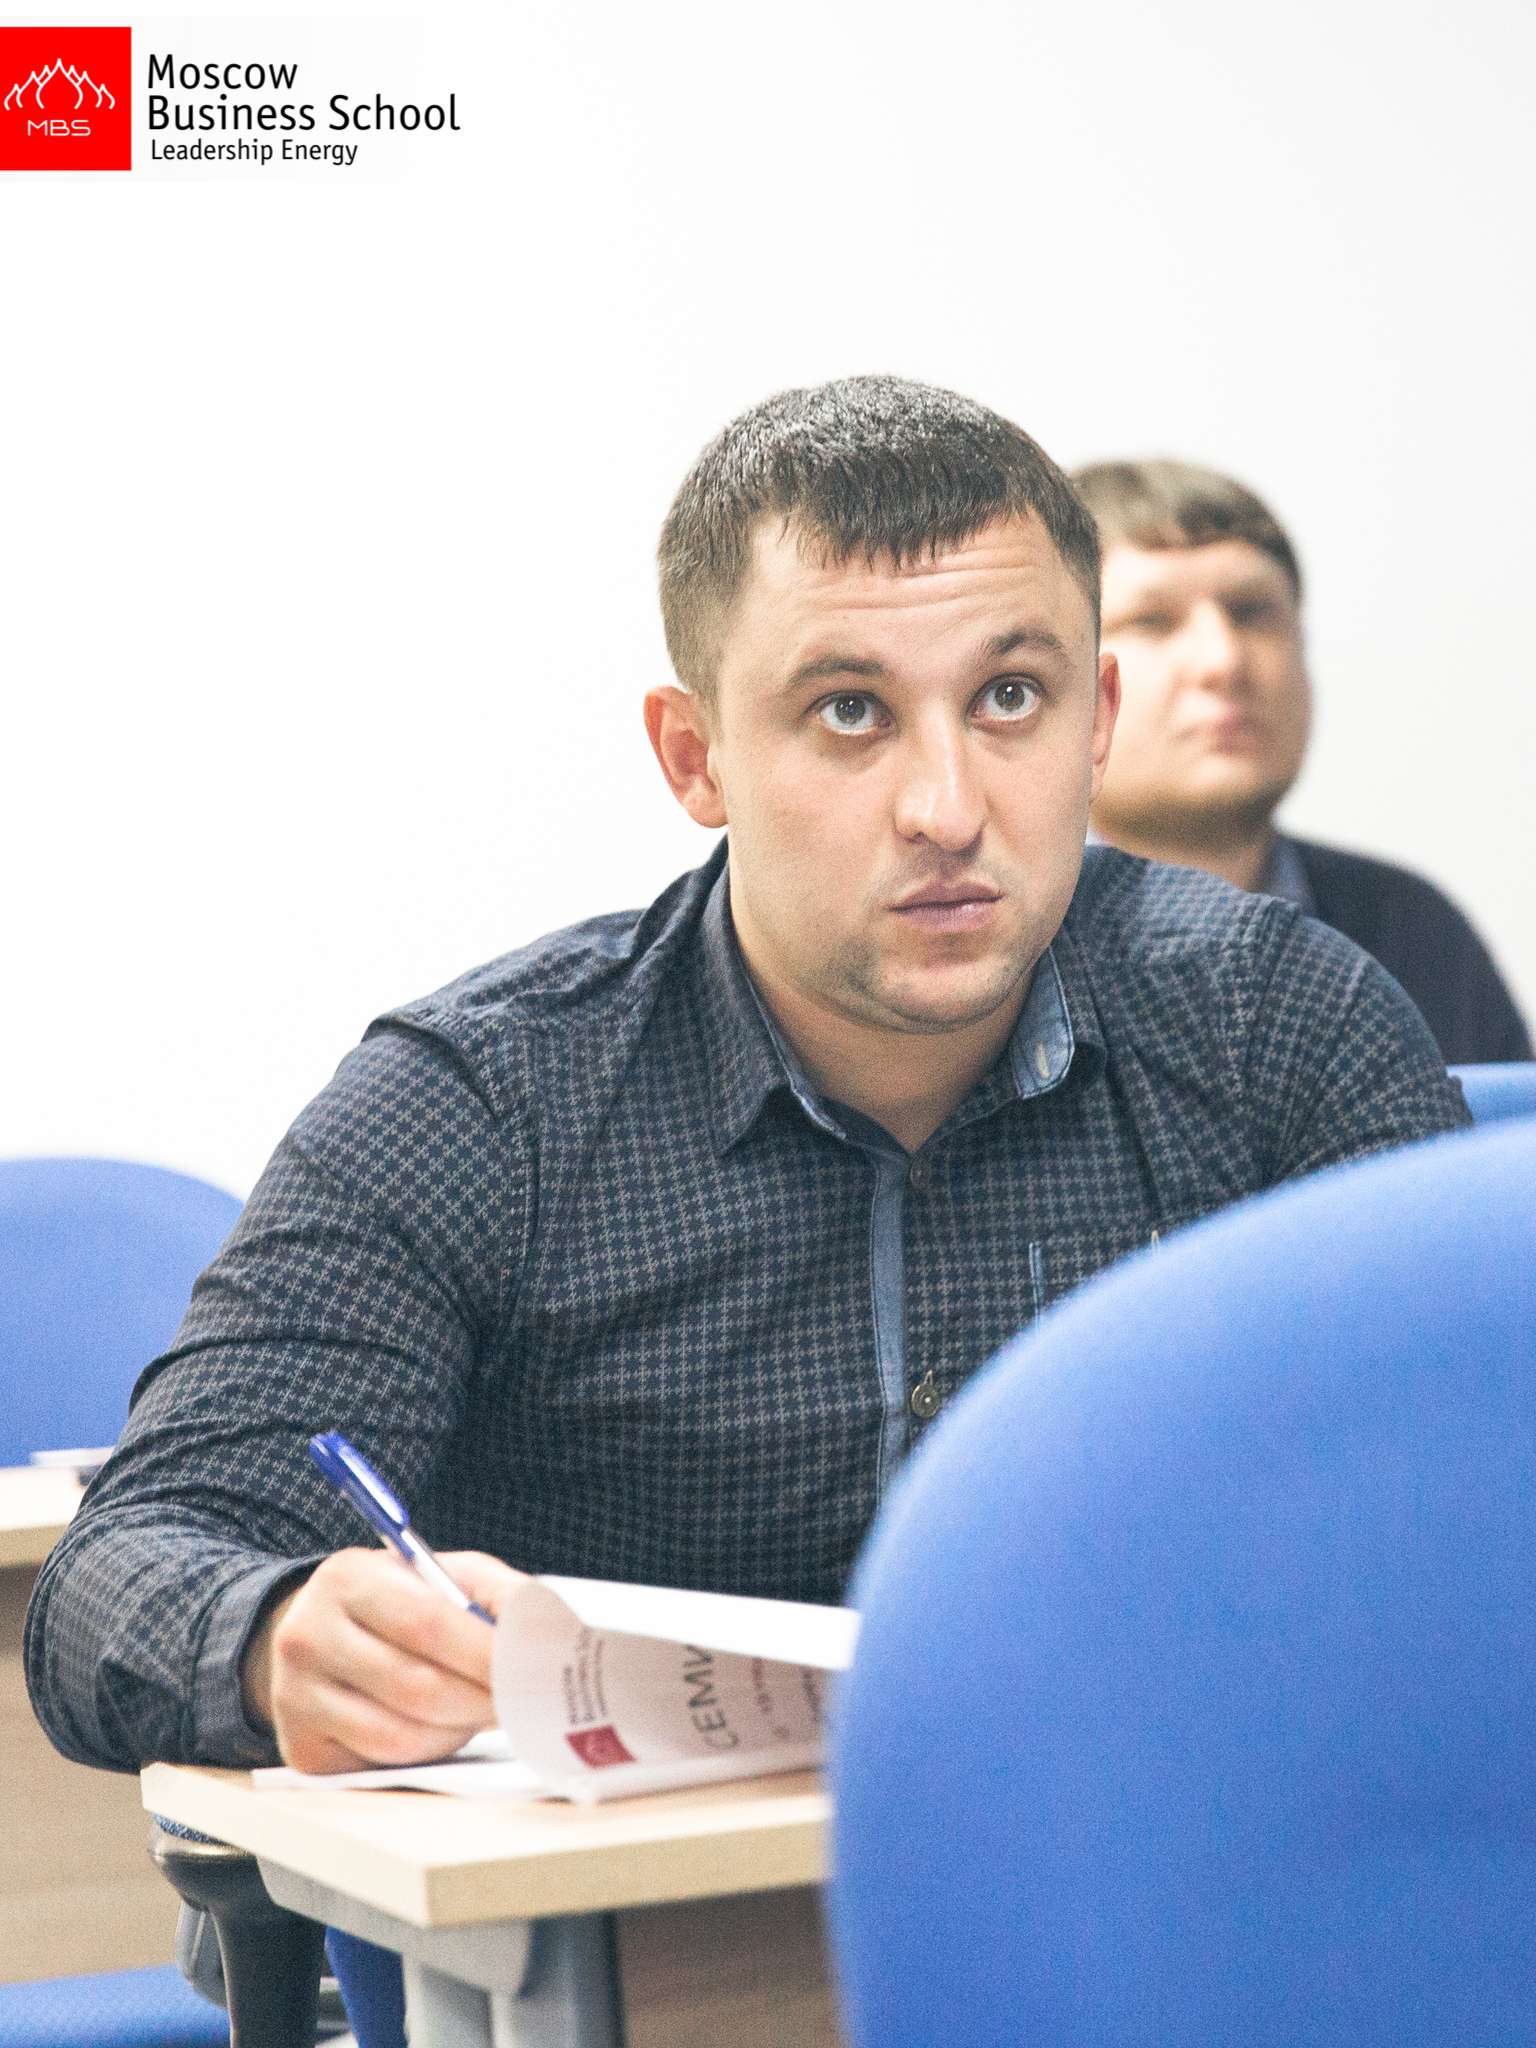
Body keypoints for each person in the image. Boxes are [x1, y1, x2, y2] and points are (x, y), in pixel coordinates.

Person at [27, 377, 1467, 1782]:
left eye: (1010, 696)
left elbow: (1477, 1489)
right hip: (616, 1922)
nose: (948, 806)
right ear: (694, 755)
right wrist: (273, 1634)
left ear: (1096, 716)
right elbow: (120, 1569)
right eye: (849, 711)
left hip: (1150, 1862)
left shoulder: (1282, 1022)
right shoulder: (483, 1101)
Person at [1071, 457, 1531, 1066]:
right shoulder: (996, 949)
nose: (1223, 660)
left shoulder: (1413, 928)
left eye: (1252, 612)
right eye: (1152, 622)